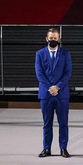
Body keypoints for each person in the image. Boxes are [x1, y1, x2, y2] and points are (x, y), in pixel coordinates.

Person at [35, 27, 72, 158]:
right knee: (47, 124)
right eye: (51, 38)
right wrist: (50, 88)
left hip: (62, 95)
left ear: (59, 39)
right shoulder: (39, 54)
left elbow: (68, 73)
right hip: (46, 94)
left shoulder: (65, 54)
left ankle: (63, 148)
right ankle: (46, 149)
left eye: (55, 39)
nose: (53, 40)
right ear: (46, 39)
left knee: (63, 123)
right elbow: (39, 73)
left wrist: (58, 87)